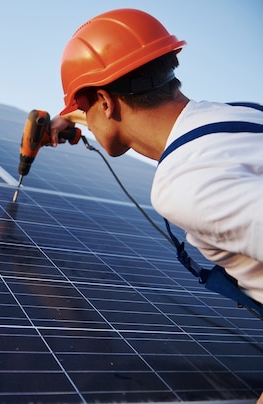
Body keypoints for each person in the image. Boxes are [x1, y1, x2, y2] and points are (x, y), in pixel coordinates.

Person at [49, 8, 263, 306]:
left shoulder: (186, 183)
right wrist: (76, 119)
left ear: (104, 102)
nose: (85, 117)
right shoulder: (244, 114)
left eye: (84, 110)